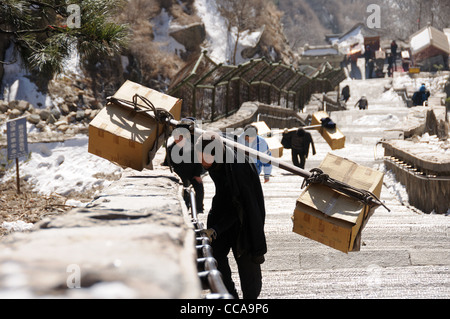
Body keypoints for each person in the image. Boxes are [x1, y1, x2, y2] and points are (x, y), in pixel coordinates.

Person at [195, 131, 267, 299]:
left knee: (249, 275)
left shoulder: (237, 168)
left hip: (246, 221)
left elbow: (243, 207)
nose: (201, 162)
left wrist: (216, 228)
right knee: (215, 254)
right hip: (225, 212)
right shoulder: (215, 161)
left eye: (204, 157)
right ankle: (230, 297)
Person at [166, 118, 204, 214]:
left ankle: (199, 207)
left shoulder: (191, 147)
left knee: (199, 188)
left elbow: (198, 161)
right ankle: (186, 208)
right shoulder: (171, 148)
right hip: (180, 175)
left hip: (192, 173)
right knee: (184, 191)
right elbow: (167, 163)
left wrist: (197, 174)